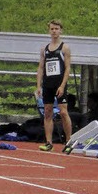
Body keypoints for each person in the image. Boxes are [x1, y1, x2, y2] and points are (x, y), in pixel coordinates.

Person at [35, 20, 73, 152]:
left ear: (61, 30)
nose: (54, 31)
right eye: (52, 29)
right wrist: (38, 86)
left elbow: (67, 68)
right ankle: (49, 142)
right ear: (49, 31)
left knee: (63, 112)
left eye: (56, 29)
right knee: (47, 112)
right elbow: (40, 68)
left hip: (59, 84)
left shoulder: (64, 48)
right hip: (48, 84)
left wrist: (62, 85)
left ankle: (68, 141)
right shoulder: (44, 49)